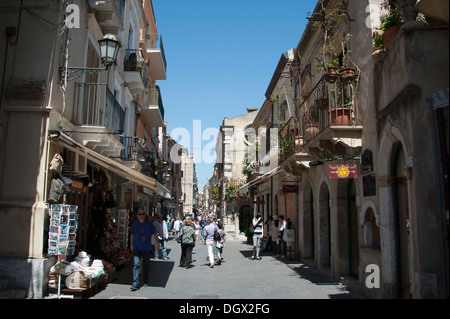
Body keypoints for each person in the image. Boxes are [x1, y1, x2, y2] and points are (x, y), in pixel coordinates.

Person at [130, 209, 157, 291]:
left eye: (142, 214)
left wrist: (157, 244)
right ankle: (135, 283)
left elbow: (155, 234)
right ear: (137, 215)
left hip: (146, 248)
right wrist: (131, 245)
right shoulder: (134, 224)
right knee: (136, 264)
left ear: (145, 215)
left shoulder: (149, 224)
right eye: (139, 214)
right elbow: (132, 235)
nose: (141, 215)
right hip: (136, 248)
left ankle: (146, 281)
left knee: (146, 265)